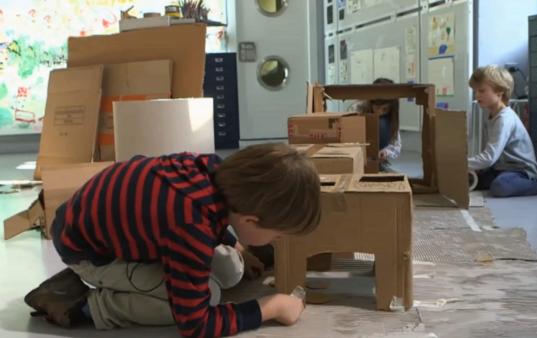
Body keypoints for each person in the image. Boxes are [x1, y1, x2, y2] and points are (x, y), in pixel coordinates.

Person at [24, 143, 322, 337]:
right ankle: (81, 304)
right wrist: (270, 307)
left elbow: (207, 213)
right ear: (250, 220)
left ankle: (127, 274)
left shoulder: (213, 170)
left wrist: (238, 245)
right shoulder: (189, 227)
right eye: (278, 234)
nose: (278, 241)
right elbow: (195, 324)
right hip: (88, 252)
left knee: (232, 269)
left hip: (101, 224)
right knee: (210, 295)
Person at [469, 65, 537, 197]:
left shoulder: (505, 119)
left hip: (521, 170)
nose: (477, 95)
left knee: (500, 187)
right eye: (475, 91)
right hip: (500, 168)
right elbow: (489, 154)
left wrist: (462, 163)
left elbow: (489, 157)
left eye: (482, 91)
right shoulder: (489, 115)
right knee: (470, 180)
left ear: (499, 92)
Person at [349, 77, 402, 171]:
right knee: (378, 121)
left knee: (382, 122)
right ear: (370, 103)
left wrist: (386, 152)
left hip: (377, 156)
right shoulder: (356, 109)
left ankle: (376, 162)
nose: (379, 112)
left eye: (385, 109)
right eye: (376, 108)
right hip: (357, 152)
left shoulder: (390, 118)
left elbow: (396, 145)